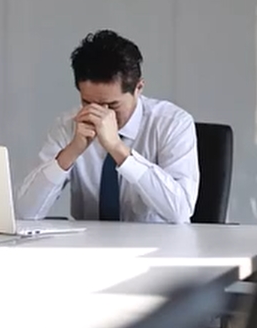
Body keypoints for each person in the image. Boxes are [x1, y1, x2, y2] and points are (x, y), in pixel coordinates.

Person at [16, 29, 200, 223]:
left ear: (139, 88)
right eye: (87, 102)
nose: (100, 115)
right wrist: (71, 152)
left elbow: (180, 211)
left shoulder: (173, 123)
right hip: (88, 247)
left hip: (158, 248)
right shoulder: (68, 125)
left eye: (112, 105)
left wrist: (118, 149)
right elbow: (25, 212)